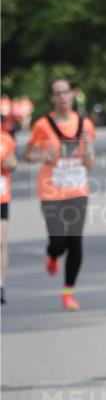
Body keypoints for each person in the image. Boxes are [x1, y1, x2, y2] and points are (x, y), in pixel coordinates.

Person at [24, 78, 96, 311]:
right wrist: (40, 157)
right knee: (58, 241)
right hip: (51, 191)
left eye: (66, 92)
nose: (63, 96)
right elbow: (28, 155)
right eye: (58, 93)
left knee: (75, 241)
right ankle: (53, 255)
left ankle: (68, 293)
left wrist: (89, 148)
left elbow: (90, 164)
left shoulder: (84, 124)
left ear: (72, 95)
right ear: (52, 98)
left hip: (77, 189)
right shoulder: (42, 125)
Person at [0, 127, 18, 304]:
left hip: (1, 195)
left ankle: (0, 283)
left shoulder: (5, 139)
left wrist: (9, 164)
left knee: (1, 240)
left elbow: (13, 162)